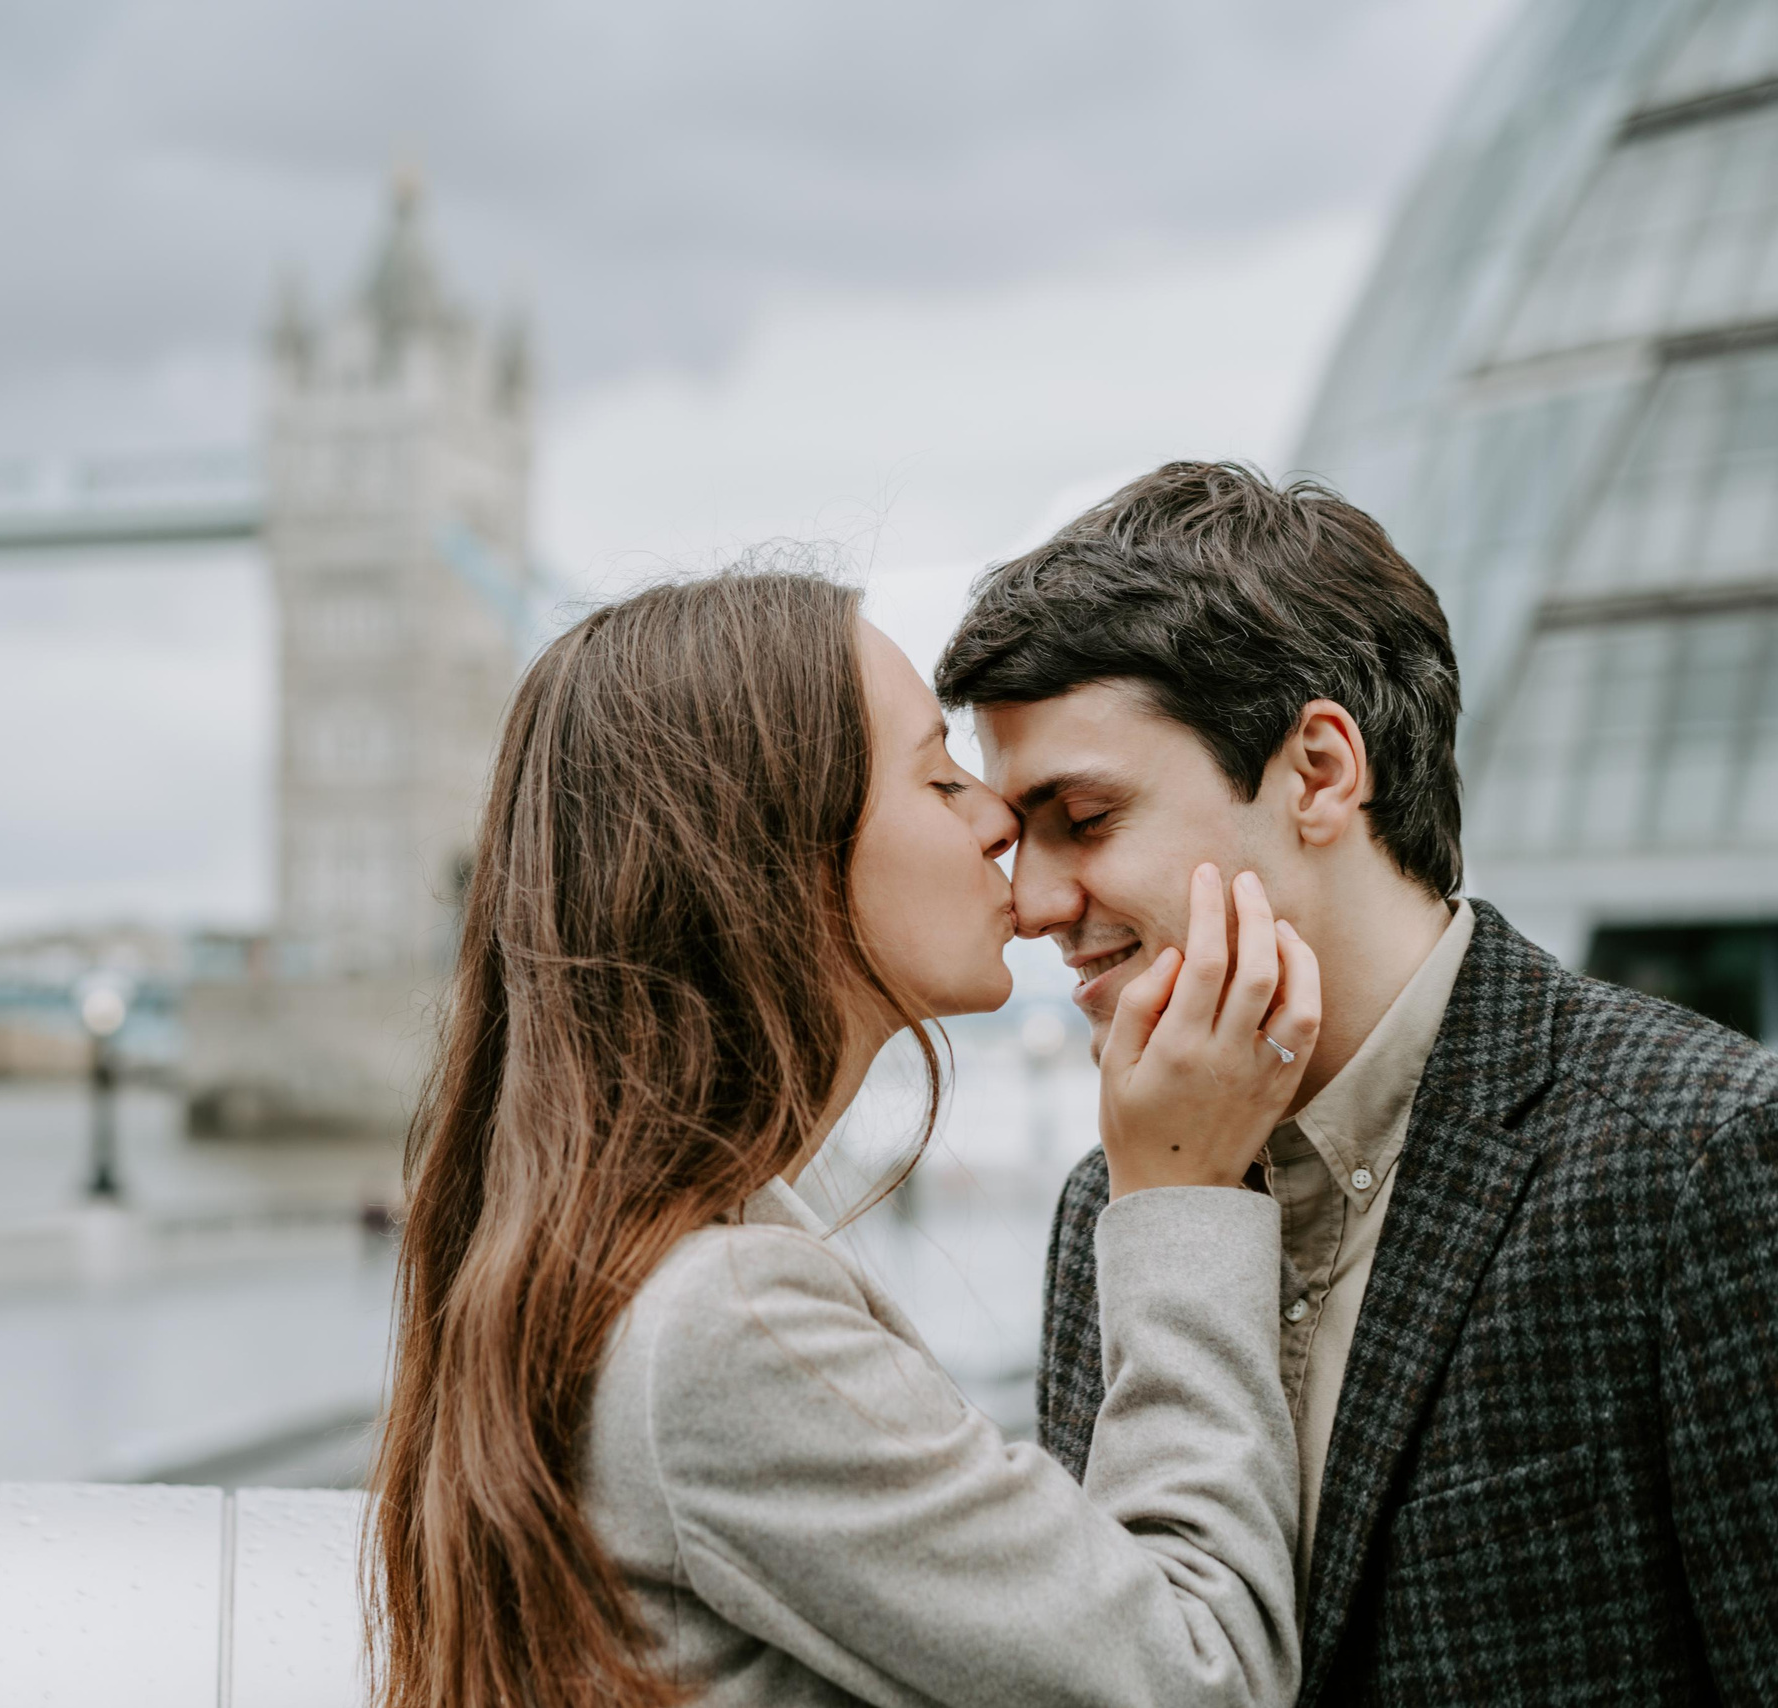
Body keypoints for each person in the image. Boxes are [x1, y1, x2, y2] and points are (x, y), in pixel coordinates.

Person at [369, 572, 1319, 1708]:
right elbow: (1203, 1680)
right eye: (935, 775)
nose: (996, 819)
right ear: (772, 855)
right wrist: (1182, 1190)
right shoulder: (725, 1324)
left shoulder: (633, 1267)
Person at [936, 462, 1778, 1706]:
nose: (1033, 902)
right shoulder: (1105, 1212)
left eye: (1085, 816)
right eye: (1021, 835)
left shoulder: (1702, 1157)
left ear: (1321, 771)